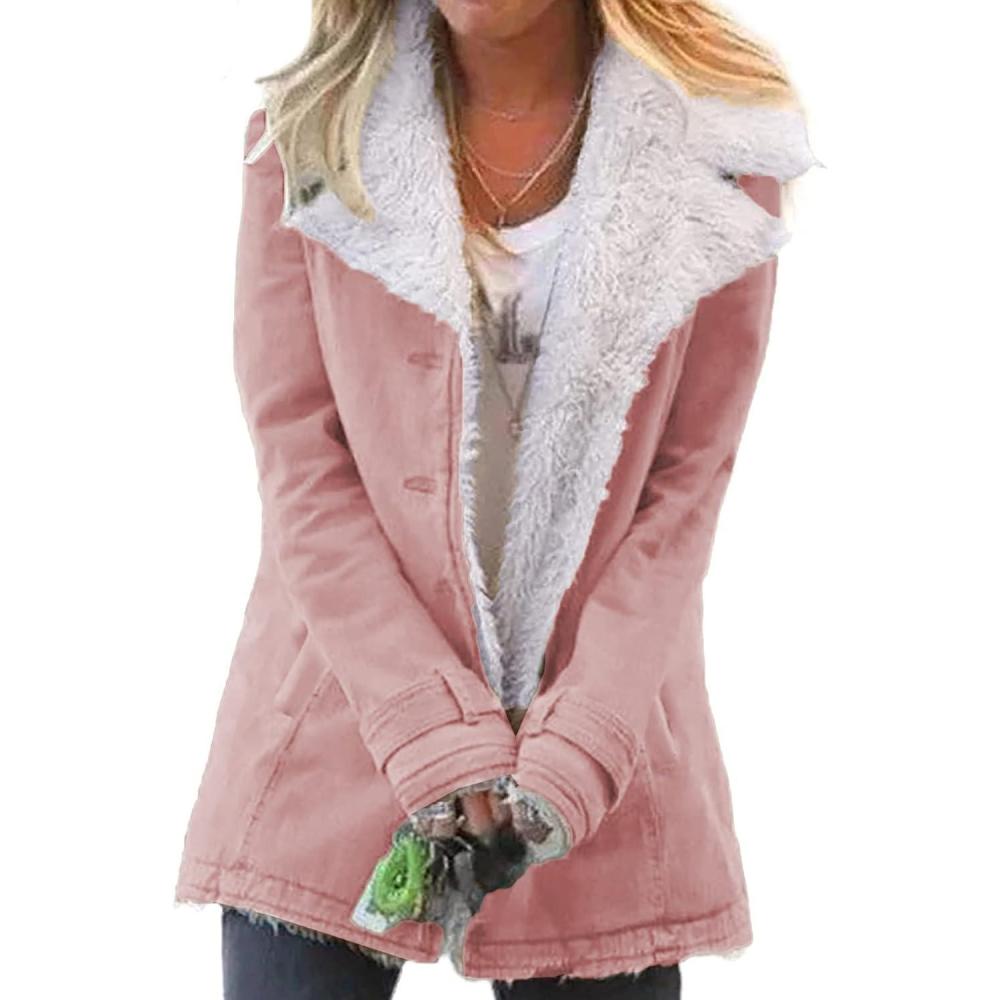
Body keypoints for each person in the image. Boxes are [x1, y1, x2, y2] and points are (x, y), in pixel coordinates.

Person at [174, 0, 821, 995]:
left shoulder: (719, 152)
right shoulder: (308, 134)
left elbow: (684, 491)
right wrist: (423, 720)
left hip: (605, 733)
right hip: (338, 714)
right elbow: (301, 466)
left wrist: (585, 738)